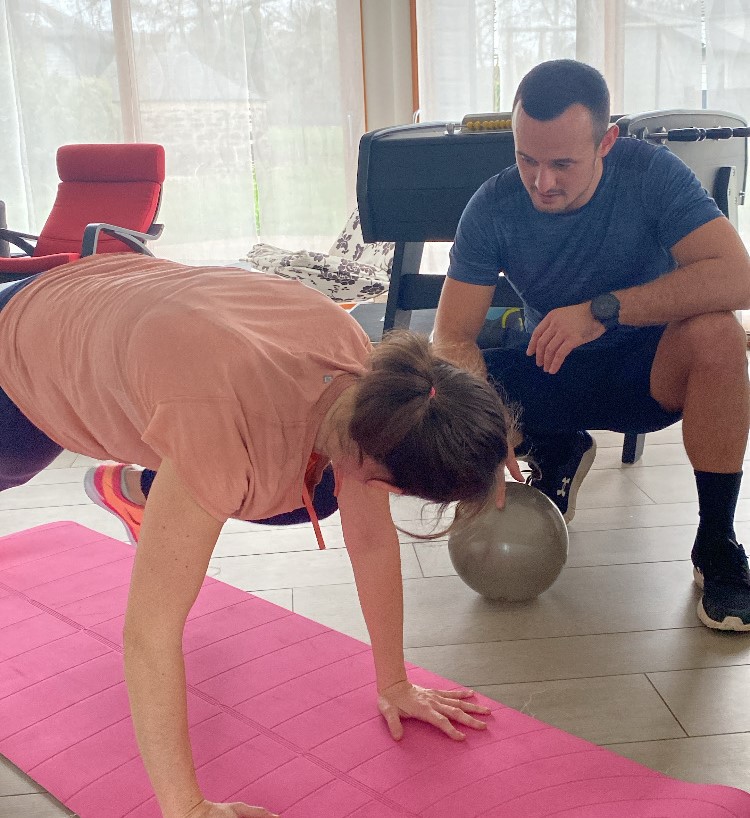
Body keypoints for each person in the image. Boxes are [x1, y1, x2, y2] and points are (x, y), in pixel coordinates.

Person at [0, 253, 520, 818]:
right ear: (380, 470)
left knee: (313, 487)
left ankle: (148, 493)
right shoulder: (222, 432)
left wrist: (395, 682)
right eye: (400, 490)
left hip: (110, 298)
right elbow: (148, 637)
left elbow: (370, 539)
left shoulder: (372, 381)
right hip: (28, 345)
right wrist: (188, 809)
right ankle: (161, 495)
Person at [433, 58, 750, 633]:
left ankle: (717, 542)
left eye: (562, 164)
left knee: (719, 333)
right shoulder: (493, 205)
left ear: (607, 142)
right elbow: (452, 336)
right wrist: (480, 431)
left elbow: (738, 277)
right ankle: (559, 447)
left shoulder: (651, 174)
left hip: (647, 374)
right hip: (550, 366)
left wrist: (603, 311)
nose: (542, 182)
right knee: (445, 385)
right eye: (527, 160)